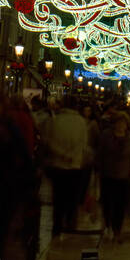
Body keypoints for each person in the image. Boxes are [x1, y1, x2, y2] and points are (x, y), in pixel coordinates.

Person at [44, 100, 88, 236]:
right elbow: (83, 143)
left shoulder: (54, 121)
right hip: (75, 165)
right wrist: (72, 155)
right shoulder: (81, 122)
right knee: (72, 195)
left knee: (58, 196)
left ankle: (57, 224)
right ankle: (70, 221)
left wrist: (61, 154)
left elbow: (47, 141)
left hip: (57, 165)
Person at [97, 110, 130, 242]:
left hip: (123, 175)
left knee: (120, 204)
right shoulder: (106, 135)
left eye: (123, 123)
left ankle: (117, 228)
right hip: (108, 173)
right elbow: (100, 153)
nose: (121, 125)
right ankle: (107, 224)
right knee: (107, 202)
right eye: (119, 122)